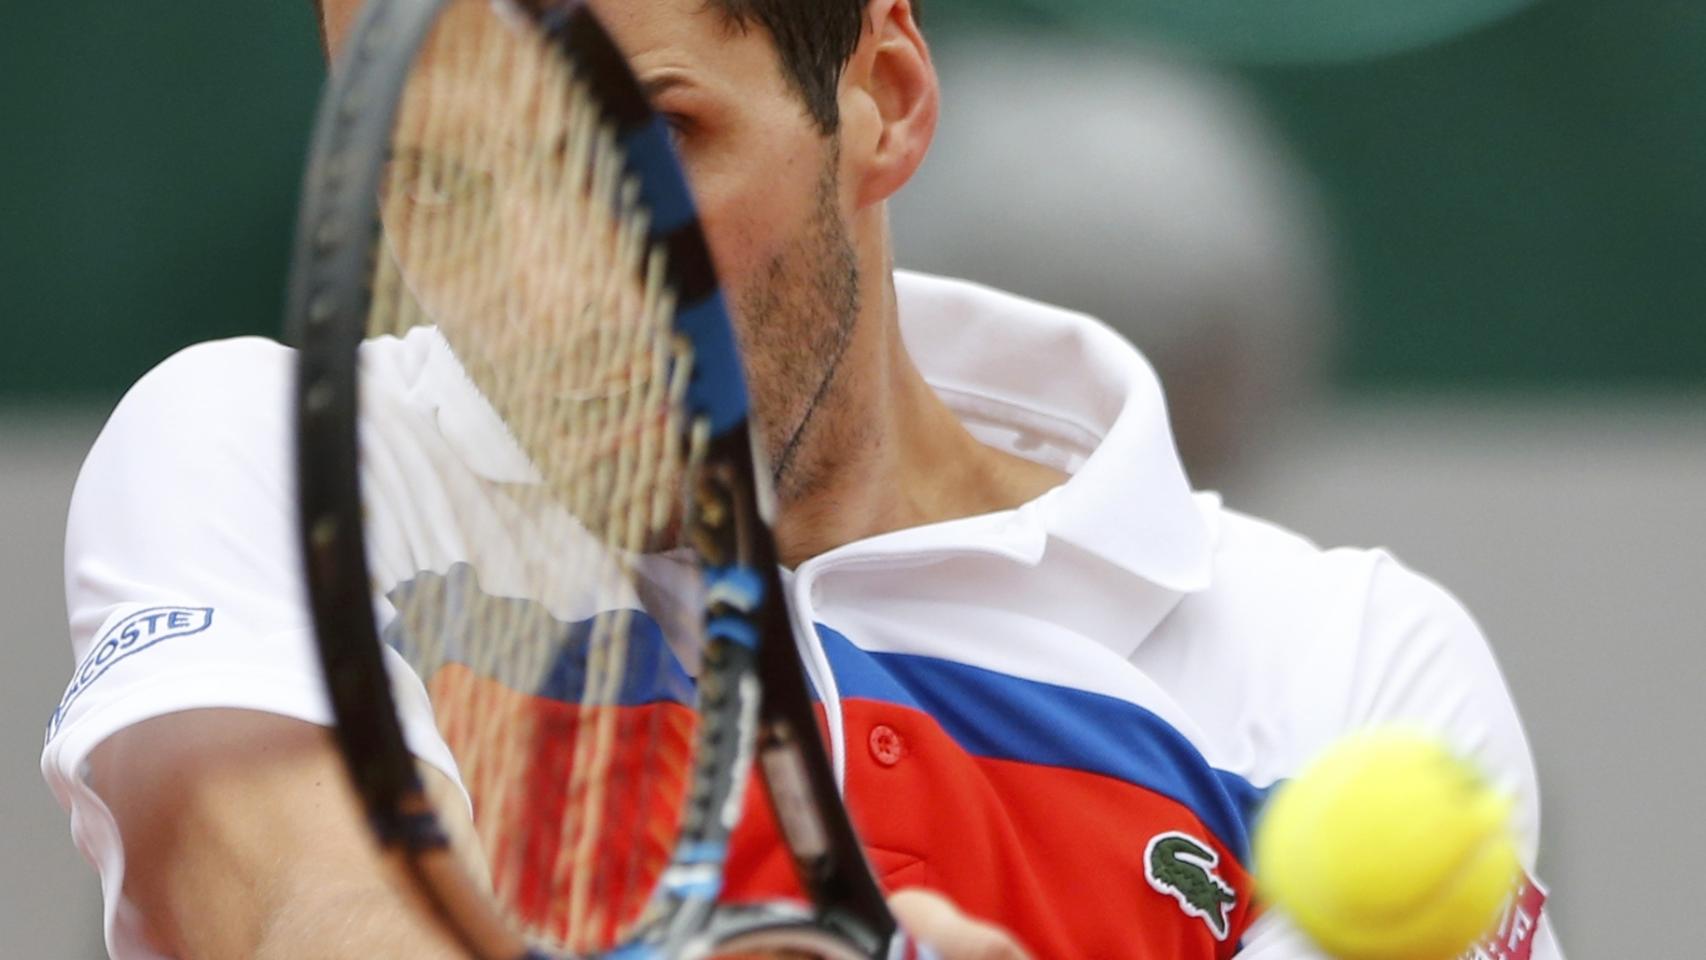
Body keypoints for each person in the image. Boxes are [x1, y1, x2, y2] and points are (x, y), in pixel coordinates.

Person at [40, 0, 1562, 958]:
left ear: (881, 97)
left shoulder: (1349, 664)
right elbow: (298, 911)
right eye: (442, 177)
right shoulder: (273, 450)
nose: (553, 286)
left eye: (657, 138)